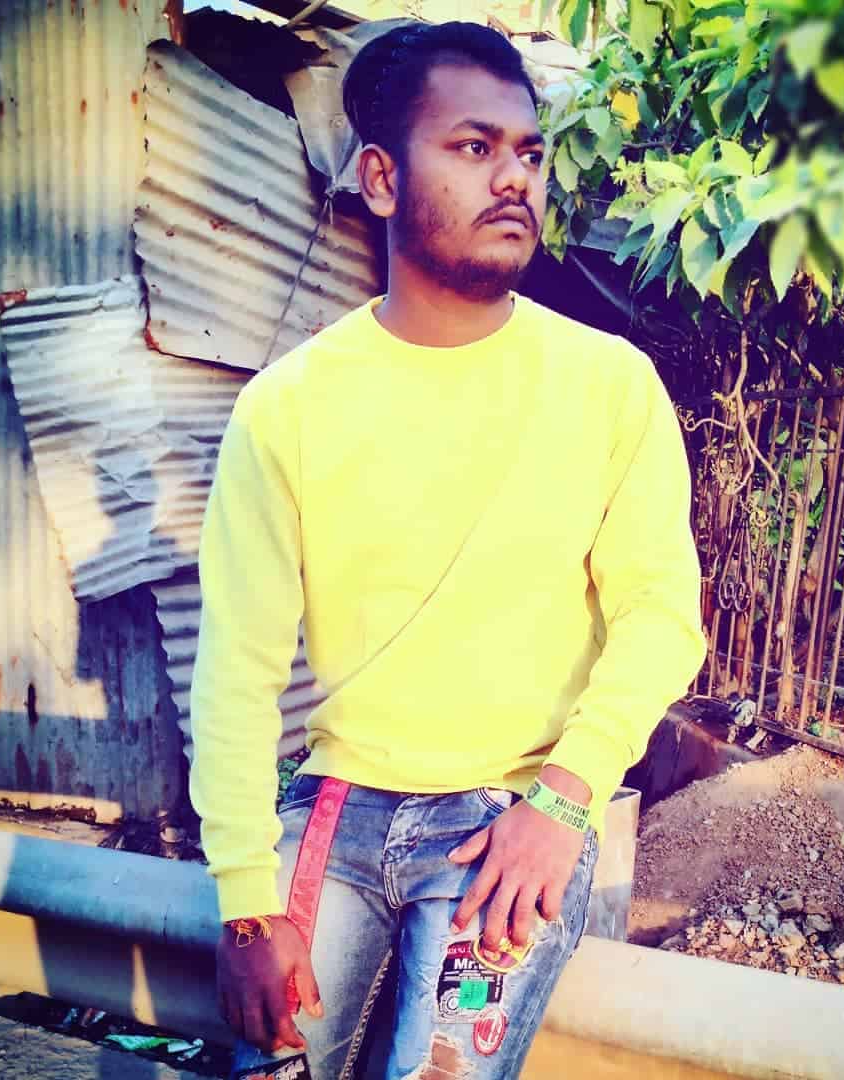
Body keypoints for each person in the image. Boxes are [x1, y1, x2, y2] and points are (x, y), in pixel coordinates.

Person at [189, 21, 706, 1080]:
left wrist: (562, 802)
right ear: (382, 178)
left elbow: (662, 616)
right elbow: (237, 665)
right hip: (335, 808)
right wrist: (244, 901)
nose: (514, 177)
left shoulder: (609, 385)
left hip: (508, 820)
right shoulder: (288, 407)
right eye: (474, 148)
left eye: (528, 152)